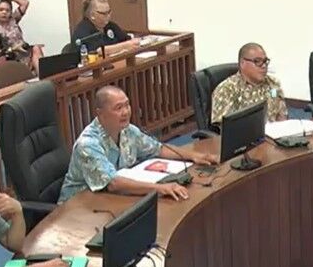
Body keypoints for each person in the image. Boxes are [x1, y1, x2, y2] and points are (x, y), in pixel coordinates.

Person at [58, 86, 216, 203]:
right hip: (77, 208)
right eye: (118, 108)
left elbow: (158, 149)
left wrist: (194, 156)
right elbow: (112, 183)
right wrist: (160, 189)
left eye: (127, 105)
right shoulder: (88, 144)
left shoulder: (128, 130)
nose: (126, 112)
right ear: (100, 113)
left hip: (110, 199)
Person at [211, 42, 288, 125]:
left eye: (265, 61)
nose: (264, 66)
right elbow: (226, 129)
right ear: (242, 63)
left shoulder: (273, 84)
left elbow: (282, 116)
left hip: (274, 134)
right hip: (245, 136)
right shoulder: (227, 89)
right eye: (257, 61)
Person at [0, 0, 43, 75]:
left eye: (7, 10)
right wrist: (13, 49)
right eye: (1, 10)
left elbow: (25, 3)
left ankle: (43, 78)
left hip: (24, 54)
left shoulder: (13, 20)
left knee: (36, 48)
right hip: (10, 57)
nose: (4, 12)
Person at [70, 0, 140, 55]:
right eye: (104, 13)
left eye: (109, 12)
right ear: (92, 15)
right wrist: (125, 46)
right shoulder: (83, 30)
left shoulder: (110, 25)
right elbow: (99, 51)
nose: (108, 16)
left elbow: (126, 39)